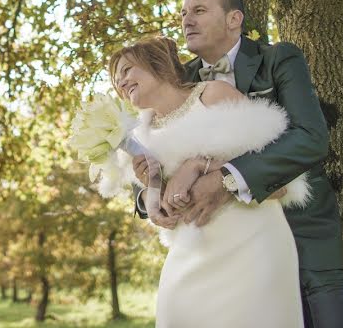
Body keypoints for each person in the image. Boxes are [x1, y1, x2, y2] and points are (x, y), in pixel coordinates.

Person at [133, 0, 343, 328]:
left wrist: (225, 179)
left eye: (199, 11)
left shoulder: (278, 58)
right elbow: (157, 148)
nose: (186, 20)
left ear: (234, 18)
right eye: (183, 13)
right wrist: (148, 194)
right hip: (215, 241)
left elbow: (310, 137)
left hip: (300, 223)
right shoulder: (179, 80)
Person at [112, 36, 305, 327]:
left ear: (156, 63)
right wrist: (155, 192)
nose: (121, 81)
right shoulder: (141, 137)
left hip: (253, 247)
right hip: (190, 253)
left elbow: (282, 178)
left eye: (127, 69)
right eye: (116, 79)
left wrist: (199, 164)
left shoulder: (213, 96)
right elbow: (163, 208)